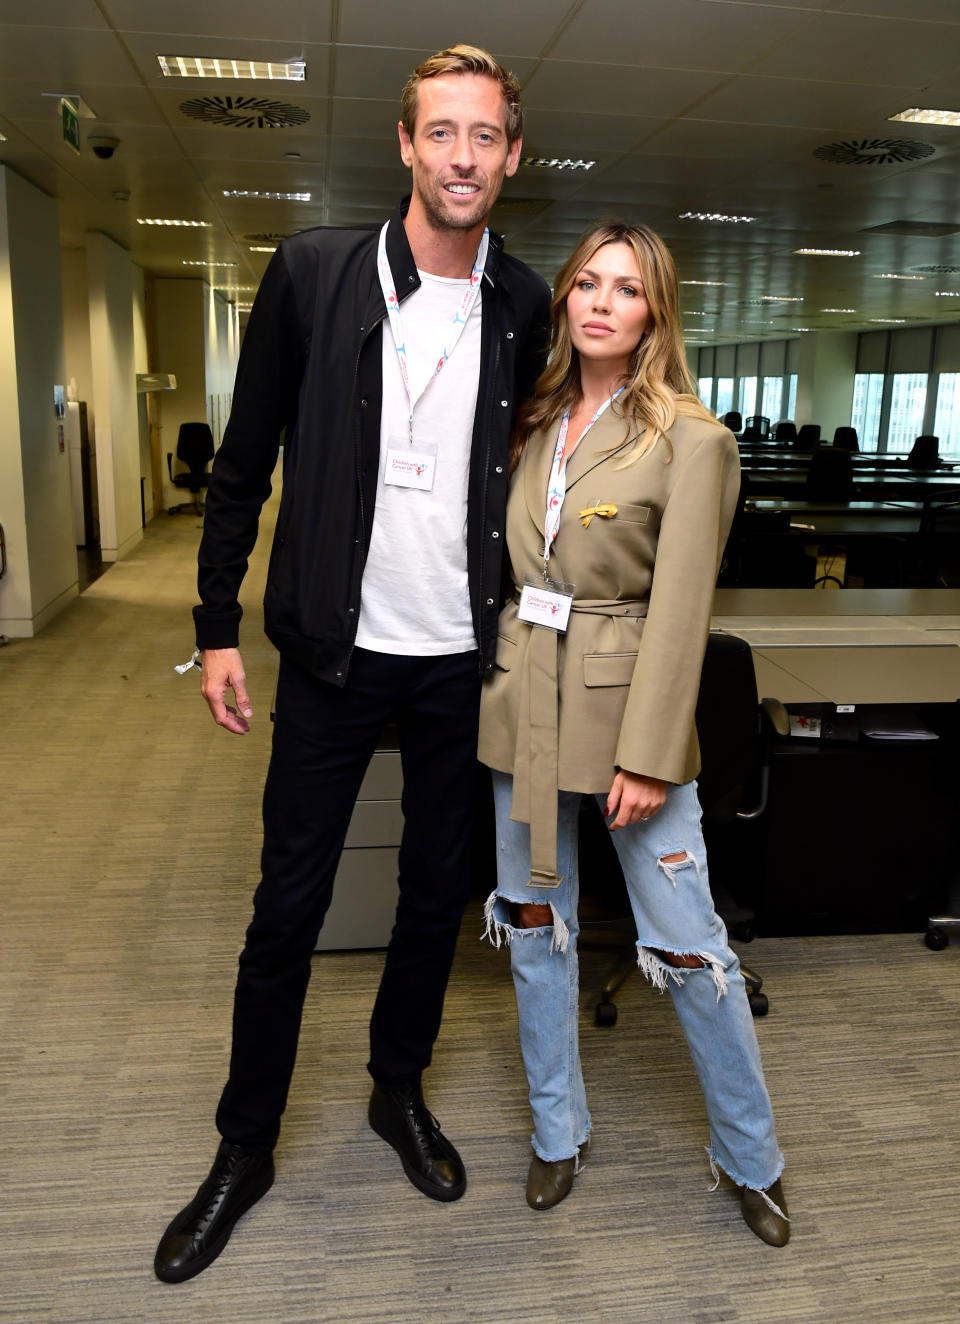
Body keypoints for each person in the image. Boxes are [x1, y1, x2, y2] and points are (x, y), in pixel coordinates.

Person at [154, 44, 550, 1284]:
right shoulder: (317, 271)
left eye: (485, 136)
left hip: (457, 665)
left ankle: (396, 1091)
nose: (463, 157)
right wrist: (217, 623)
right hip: (334, 652)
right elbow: (243, 463)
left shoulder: (526, 301)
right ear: (405, 144)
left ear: (513, 155)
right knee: (289, 907)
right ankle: (245, 1144)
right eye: (443, 132)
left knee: (436, 899)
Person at [477, 222, 789, 1246]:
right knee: (533, 929)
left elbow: (684, 606)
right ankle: (557, 1132)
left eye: (627, 288)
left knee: (692, 948)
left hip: (627, 714)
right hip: (524, 701)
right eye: (587, 283)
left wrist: (651, 754)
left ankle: (752, 1157)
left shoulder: (694, 440)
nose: (601, 302)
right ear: (565, 297)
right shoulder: (531, 420)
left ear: (656, 311)